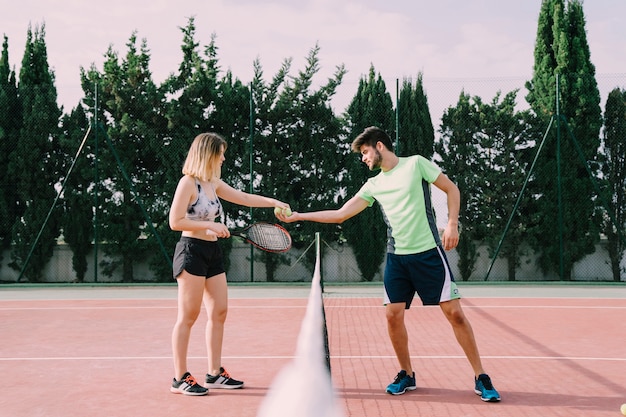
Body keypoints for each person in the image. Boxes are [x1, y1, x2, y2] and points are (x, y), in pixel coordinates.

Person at [277, 126, 501, 402]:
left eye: (364, 152)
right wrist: (298, 215)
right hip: (397, 258)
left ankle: (481, 375)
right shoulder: (374, 185)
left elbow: (450, 189)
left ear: (379, 146)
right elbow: (340, 214)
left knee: (454, 314)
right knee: (393, 315)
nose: (363, 159)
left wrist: (452, 223)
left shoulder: (416, 164)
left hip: (429, 253)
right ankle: (406, 373)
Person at [168, 132, 290, 396]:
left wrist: (273, 203)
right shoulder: (188, 183)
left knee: (219, 312)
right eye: (220, 153)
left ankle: (214, 373)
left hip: (212, 251)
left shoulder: (212, 182)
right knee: (188, 316)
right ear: (207, 154)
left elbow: (244, 197)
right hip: (191, 251)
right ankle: (179, 378)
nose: (224, 158)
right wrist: (210, 224)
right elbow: (175, 222)